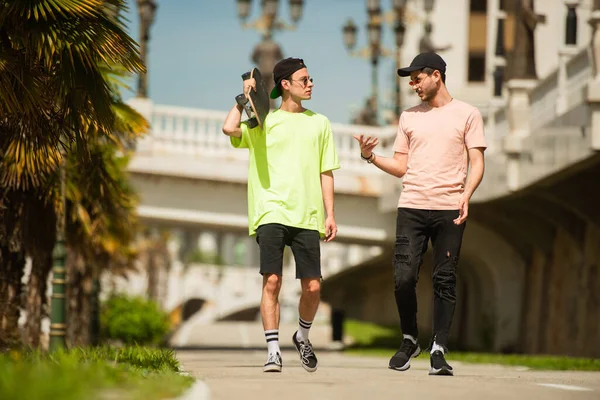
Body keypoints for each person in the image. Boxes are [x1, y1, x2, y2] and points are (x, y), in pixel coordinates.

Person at [353, 52, 486, 376]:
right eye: (410, 79)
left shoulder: (467, 114)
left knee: (444, 278)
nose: (412, 85)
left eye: (416, 78)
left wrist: (466, 195)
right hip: (411, 206)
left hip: (449, 209)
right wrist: (370, 157)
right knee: (403, 278)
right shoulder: (409, 117)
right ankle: (410, 338)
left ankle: (438, 348)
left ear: (436, 75)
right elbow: (401, 166)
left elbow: (477, 162)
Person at [222, 57, 340, 373]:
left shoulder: (321, 123)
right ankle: (273, 349)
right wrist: (243, 97)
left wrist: (330, 213)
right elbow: (229, 128)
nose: (311, 83)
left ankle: (302, 335)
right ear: (285, 85)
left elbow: (326, 171)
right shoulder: (264, 122)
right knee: (272, 280)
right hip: (270, 211)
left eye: (311, 78)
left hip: (308, 215)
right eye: (304, 79)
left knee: (313, 287)